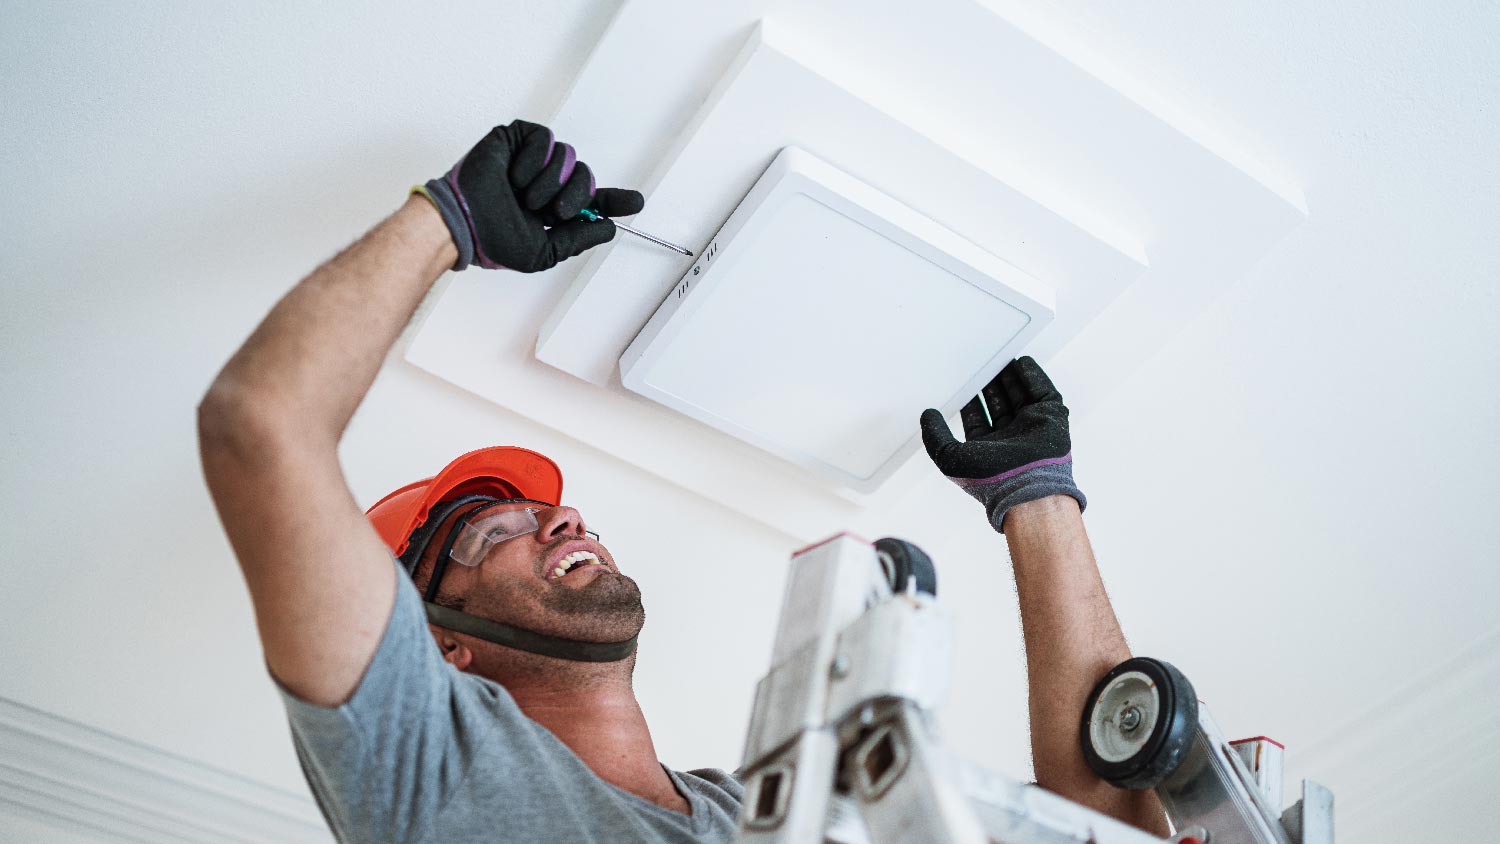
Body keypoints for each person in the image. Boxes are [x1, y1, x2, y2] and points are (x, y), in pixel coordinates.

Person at [198, 120, 1165, 842]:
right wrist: (446, 223)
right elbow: (260, 428)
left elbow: (1112, 822)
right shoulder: (434, 769)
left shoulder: (766, 808)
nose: (558, 518)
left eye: (547, 508)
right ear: (444, 647)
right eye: (494, 534)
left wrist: (1037, 503)